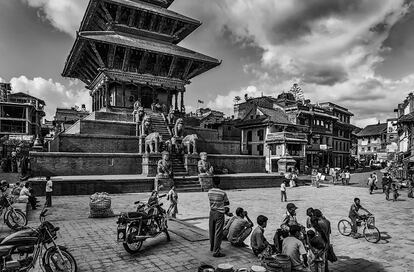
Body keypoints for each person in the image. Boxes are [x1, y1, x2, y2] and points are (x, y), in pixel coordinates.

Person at [208, 179, 230, 257]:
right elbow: (227, 203)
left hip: (212, 212)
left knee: (212, 231)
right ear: (219, 183)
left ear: (213, 183)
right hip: (220, 213)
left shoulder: (209, 192)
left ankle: (212, 247)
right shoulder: (222, 193)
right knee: (218, 233)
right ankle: (216, 251)